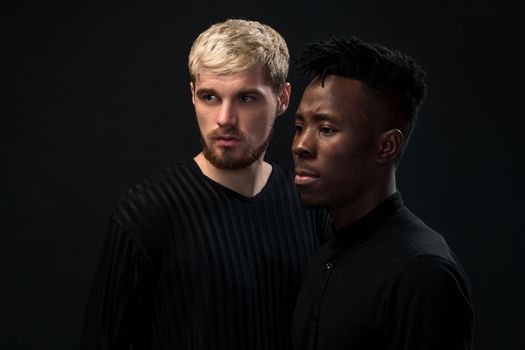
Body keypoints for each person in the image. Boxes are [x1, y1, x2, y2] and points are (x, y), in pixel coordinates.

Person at [80, 19, 331, 350]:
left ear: (282, 99)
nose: (225, 119)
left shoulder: (310, 206)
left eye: (246, 98)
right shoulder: (146, 213)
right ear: (193, 96)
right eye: (210, 97)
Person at [291, 36, 474, 350]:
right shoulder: (323, 253)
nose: (300, 146)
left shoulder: (422, 272)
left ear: (387, 146)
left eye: (326, 129)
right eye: (299, 127)